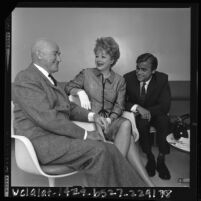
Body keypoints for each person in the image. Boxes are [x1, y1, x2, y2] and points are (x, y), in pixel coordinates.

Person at [12, 38, 148, 187]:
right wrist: (86, 134)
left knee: (109, 146)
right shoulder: (26, 78)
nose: (60, 59)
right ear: (39, 54)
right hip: (42, 144)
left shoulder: (47, 79)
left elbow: (68, 107)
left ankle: (131, 188)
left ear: (112, 60)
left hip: (58, 137)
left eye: (59, 54)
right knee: (101, 150)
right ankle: (135, 188)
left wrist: (93, 116)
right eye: (56, 54)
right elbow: (49, 119)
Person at [65, 37, 154, 187]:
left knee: (125, 124)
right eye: (97, 56)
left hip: (111, 123)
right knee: (130, 139)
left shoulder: (120, 80)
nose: (98, 60)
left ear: (112, 60)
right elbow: (68, 87)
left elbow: (119, 106)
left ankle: (111, 176)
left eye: (103, 56)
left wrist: (110, 120)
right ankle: (149, 185)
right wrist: (80, 92)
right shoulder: (86, 74)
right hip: (92, 124)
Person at [124, 53, 171, 180]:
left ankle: (161, 159)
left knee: (164, 121)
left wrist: (147, 111)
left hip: (156, 113)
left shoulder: (162, 79)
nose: (139, 72)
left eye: (144, 70)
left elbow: (165, 105)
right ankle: (150, 157)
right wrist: (138, 108)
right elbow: (122, 101)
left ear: (153, 71)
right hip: (139, 115)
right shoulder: (128, 78)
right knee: (142, 123)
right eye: (137, 68)